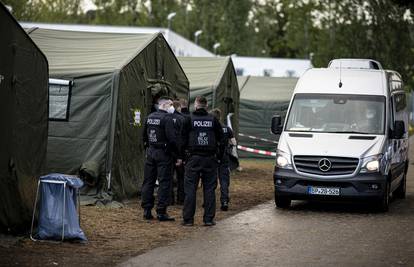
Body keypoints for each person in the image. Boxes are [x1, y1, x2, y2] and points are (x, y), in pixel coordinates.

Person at [182, 96, 225, 226]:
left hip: (193, 158)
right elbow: (222, 139)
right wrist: (219, 156)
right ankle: (208, 219)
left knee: (190, 189)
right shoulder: (213, 119)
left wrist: (184, 157)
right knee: (209, 189)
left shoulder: (189, 119)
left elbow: (181, 139)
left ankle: (188, 220)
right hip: (210, 159)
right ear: (206, 106)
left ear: (195, 105)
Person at [141, 96, 179, 221]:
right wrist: (176, 154)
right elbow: (173, 139)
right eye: (171, 104)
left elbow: (144, 137)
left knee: (148, 181)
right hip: (164, 153)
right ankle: (161, 212)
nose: (172, 107)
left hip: (151, 152)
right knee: (164, 183)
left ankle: (147, 210)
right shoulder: (167, 119)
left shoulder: (149, 117)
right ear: (165, 105)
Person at [210, 108, 236, 211]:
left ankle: (207, 201)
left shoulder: (210, 128)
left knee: (210, 180)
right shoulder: (226, 128)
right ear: (220, 117)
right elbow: (234, 142)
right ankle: (224, 201)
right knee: (224, 180)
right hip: (224, 156)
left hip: (212, 156)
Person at [170, 100, 185, 205]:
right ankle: (181, 199)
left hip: (169, 152)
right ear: (178, 107)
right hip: (180, 151)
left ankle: (170, 199)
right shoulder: (182, 118)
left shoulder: (166, 118)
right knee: (181, 177)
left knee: (169, 176)